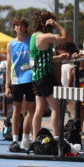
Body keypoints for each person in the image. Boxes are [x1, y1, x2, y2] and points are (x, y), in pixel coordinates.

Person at [30, 10, 70, 140]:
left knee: (39, 109)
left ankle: (35, 138)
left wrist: (58, 57)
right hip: (46, 76)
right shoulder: (43, 37)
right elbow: (66, 37)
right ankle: (57, 138)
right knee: (55, 108)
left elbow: (42, 58)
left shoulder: (33, 37)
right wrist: (57, 24)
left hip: (37, 77)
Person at [5, 17, 36, 151]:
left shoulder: (32, 40)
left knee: (32, 110)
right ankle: (15, 140)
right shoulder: (10, 44)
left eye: (22, 25)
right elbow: (8, 66)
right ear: (14, 28)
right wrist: (7, 85)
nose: (19, 27)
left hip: (31, 79)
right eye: (17, 25)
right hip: (17, 80)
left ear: (25, 27)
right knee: (16, 110)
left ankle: (25, 138)